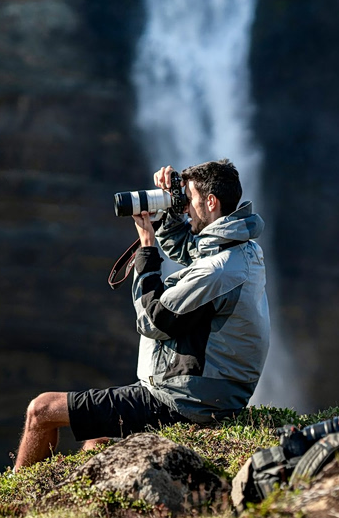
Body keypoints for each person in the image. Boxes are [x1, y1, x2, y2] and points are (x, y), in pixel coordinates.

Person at [13, 159, 270, 471]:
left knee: (41, 410)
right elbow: (188, 248)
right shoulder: (241, 248)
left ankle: (13, 495)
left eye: (188, 200)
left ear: (211, 202)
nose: (186, 208)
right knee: (98, 439)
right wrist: (168, 214)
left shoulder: (218, 270)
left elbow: (154, 320)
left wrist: (146, 248)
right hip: (215, 391)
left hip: (187, 401)